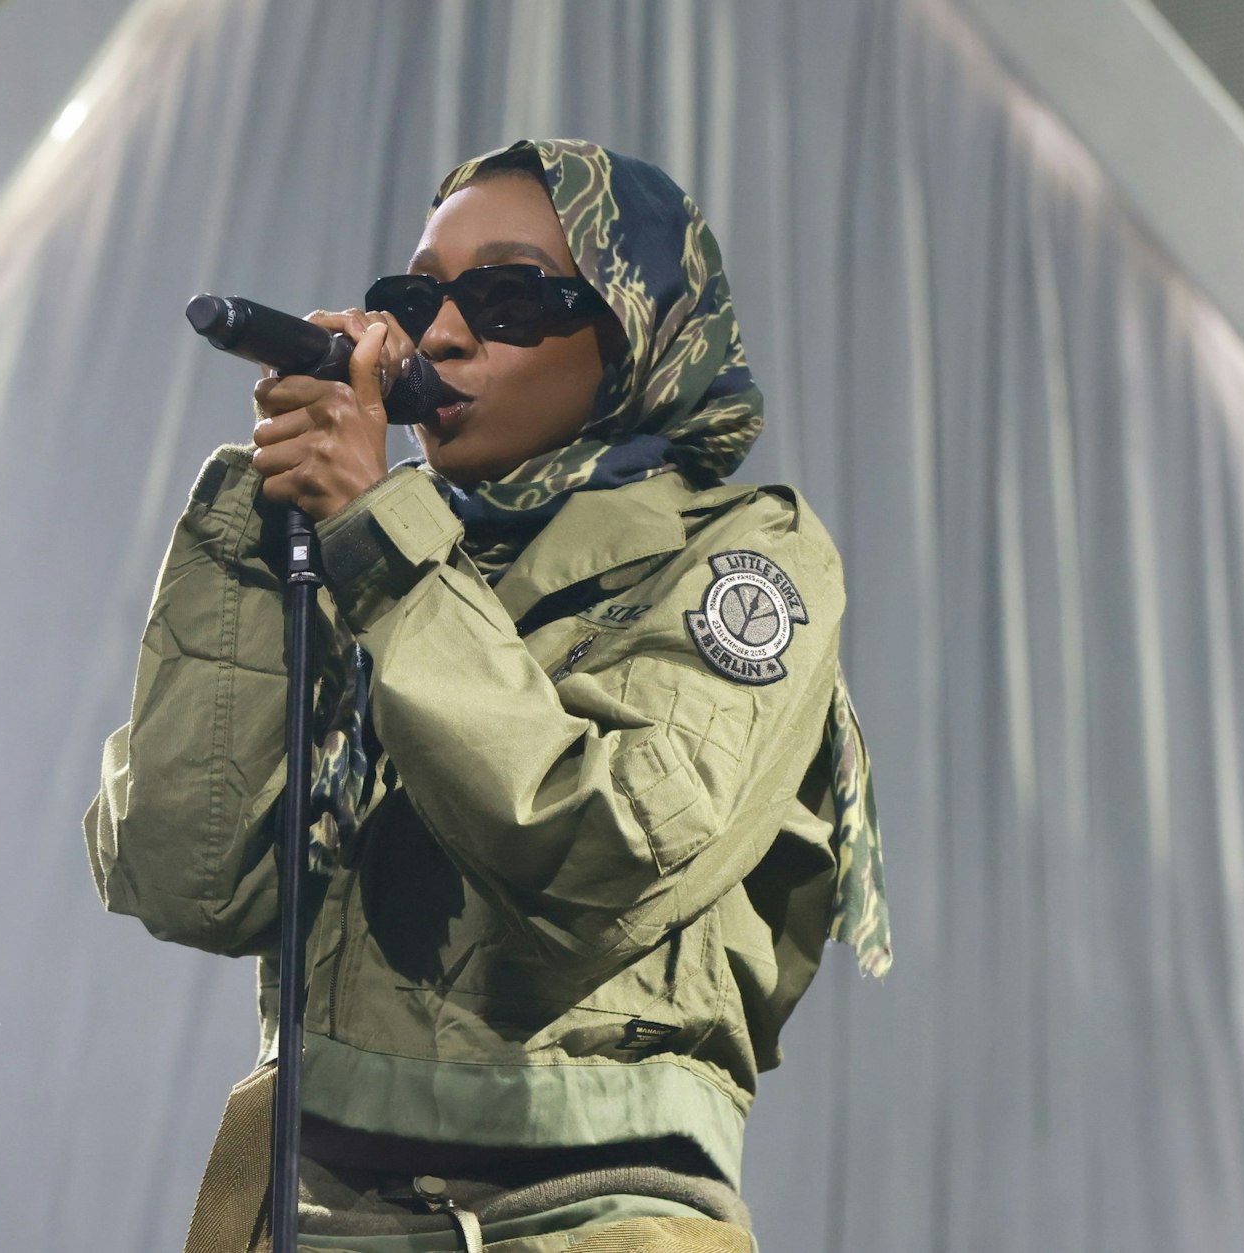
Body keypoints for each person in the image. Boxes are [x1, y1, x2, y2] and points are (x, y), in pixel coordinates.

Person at [85, 138, 891, 1253]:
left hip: (583, 1219)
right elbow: (186, 879)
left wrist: (381, 542)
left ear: (634, 331)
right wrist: (261, 533)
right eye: (416, 298)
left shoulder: (742, 558)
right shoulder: (372, 549)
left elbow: (604, 853)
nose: (441, 333)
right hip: (301, 1207)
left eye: (508, 297)